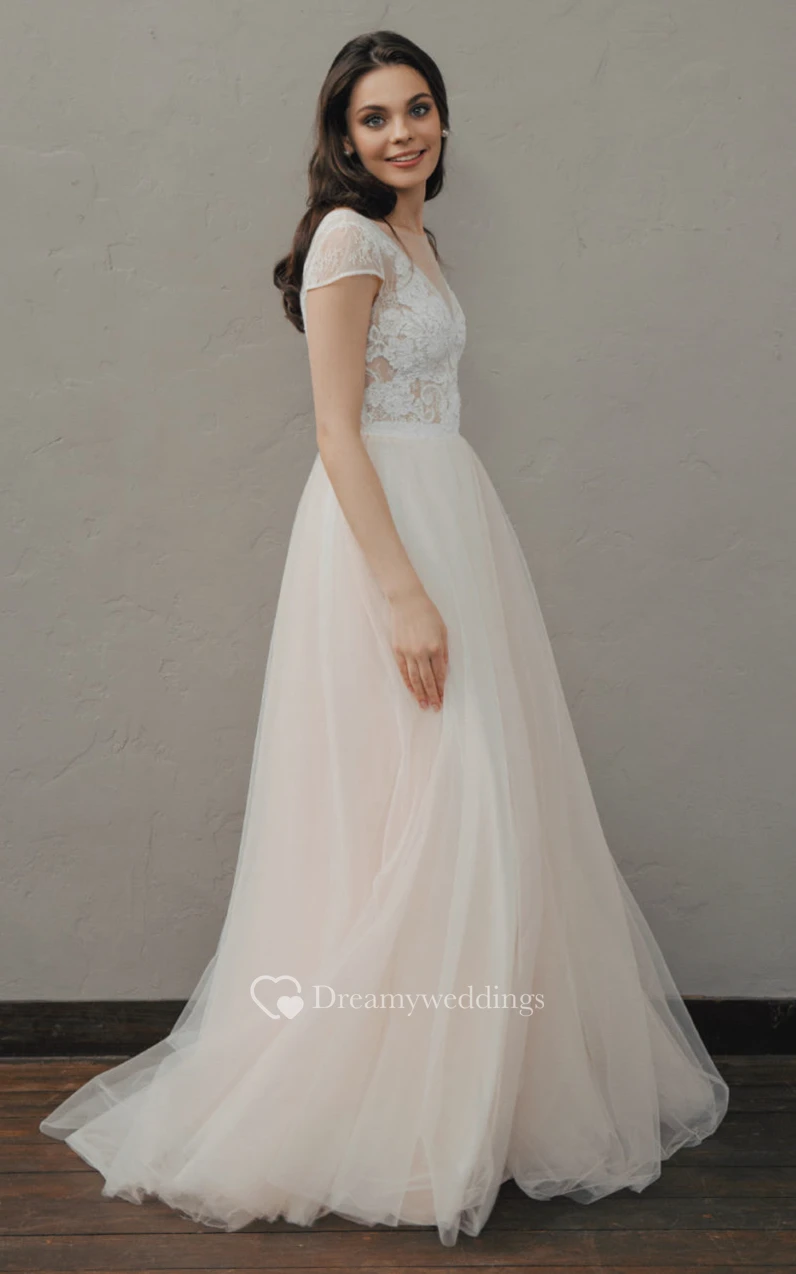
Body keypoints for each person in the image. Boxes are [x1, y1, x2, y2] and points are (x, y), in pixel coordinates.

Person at [39, 30, 729, 1249]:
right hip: (383, 540)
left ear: (442, 120)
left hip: (453, 515)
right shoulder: (347, 241)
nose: (401, 131)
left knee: (472, 804)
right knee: (411, 802)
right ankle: (389, 1113)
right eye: (374, 117)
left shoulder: (417, 236)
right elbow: (333, 427)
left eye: (417, 108)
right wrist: (404, 593)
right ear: (342, 138)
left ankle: (464, 1096)